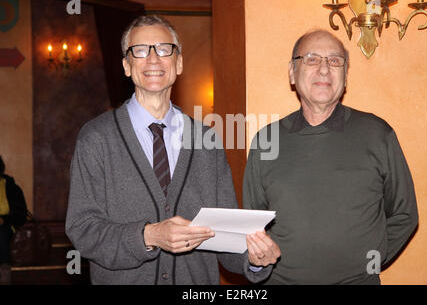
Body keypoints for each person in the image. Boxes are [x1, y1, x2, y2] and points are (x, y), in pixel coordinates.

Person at [65, 15, 280, 285]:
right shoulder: (96, 138)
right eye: (140, 51)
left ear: (178, 63)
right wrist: (149, 236)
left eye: (164, 49)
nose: (153, 59)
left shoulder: (207, 140)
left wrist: (255, 259)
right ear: (126, 66)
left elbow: (225, 239)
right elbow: (82, 229)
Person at [243, 29, 418, 285]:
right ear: (292, 72)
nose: (324, 70)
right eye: (312, 59)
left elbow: (404, 213)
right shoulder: (266, 140)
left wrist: (371, 260)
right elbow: (252, 224)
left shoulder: (378, 134)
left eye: (335, 61)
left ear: (345, 76)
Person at [0, 156, 27, 284]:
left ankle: (5, 273)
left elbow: (21, 215)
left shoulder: (11, 187)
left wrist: (4, 220)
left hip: (6, 229)